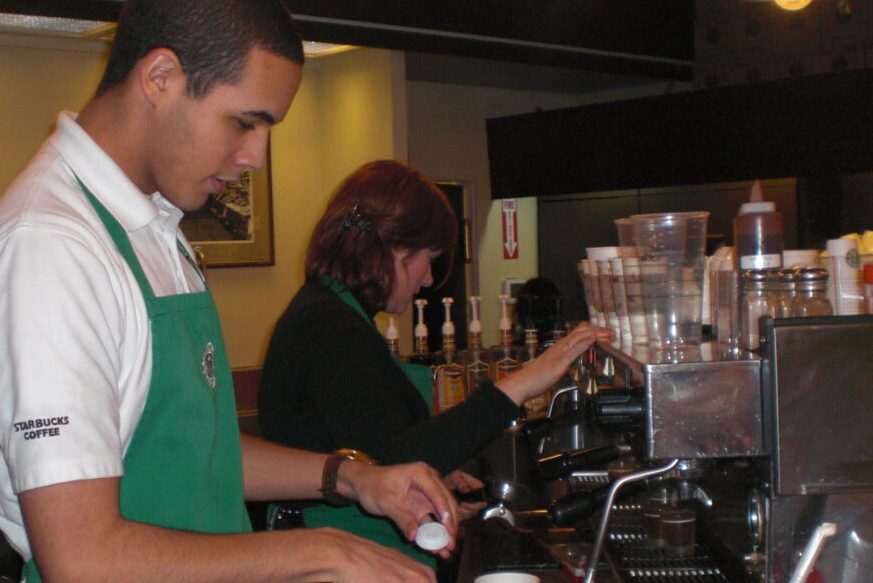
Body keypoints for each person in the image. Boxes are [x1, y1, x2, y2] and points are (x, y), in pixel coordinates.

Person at [0, 0, 458, 582]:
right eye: (245, 121)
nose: (256, 157)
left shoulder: (156, 229)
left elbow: (194, 457)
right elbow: (82, 559)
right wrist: (325, 551)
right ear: (160, 77)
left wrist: (350, 476)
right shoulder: (49, 250)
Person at [258, 160, 613, 567]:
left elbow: (372, 445)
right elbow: (393, 460)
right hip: (334, 552)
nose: (428, 278)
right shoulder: (328, 325)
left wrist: (431, 485)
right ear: (391, 247)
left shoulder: (336, 315)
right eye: (428, 257)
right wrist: (521, 384)